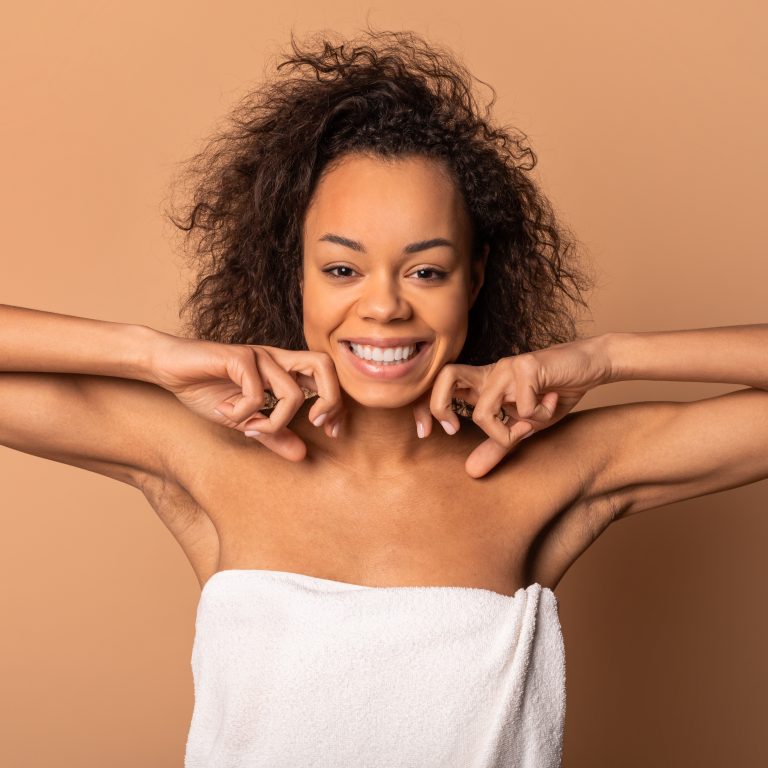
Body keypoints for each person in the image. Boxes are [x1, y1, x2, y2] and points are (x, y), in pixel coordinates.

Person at [1, 26, 766, 768]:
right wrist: (153, 356)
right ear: (291, 273)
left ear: (477, 277)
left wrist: (606, 357)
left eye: (426, 271)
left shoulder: (555, 470)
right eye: (341, 270)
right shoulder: (207, 454)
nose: (384, 307)